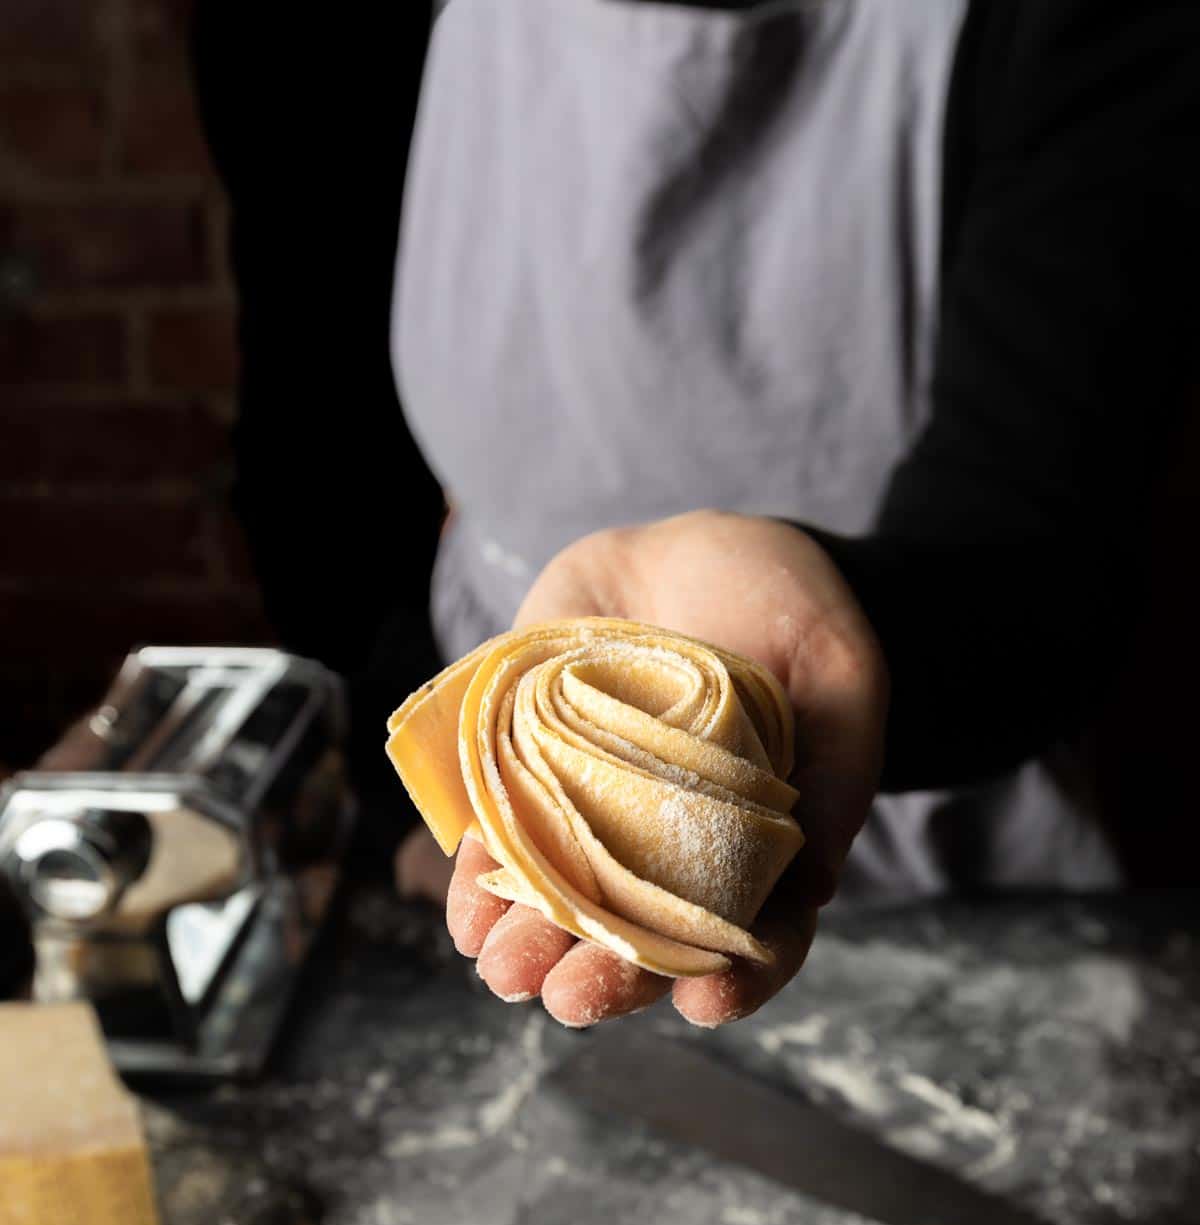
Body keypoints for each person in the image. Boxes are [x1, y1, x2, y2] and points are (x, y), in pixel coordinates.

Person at [194, 1, 1200, 1030]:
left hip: (954, 860)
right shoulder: (324, 37)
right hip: (516, 844)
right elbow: (319, 458)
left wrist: (828, 619)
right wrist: (413, 777)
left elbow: (1048, 561)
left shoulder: (1075, 30)